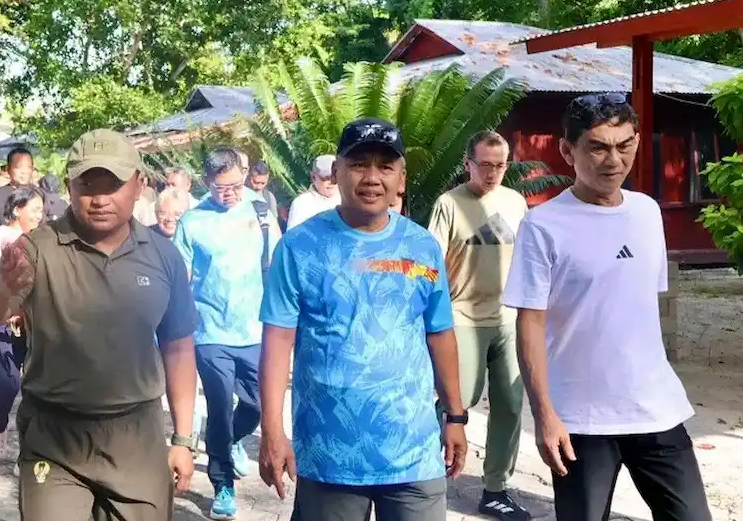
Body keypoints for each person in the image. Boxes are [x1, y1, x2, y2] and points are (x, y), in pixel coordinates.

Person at [0, 128, 199, 521]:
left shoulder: (163, 256)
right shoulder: (37, 248)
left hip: (136, 440)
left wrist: (182, 439)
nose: (100, 198)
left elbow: (178, 345)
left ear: (139, 184)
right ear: (70, 187)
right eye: (88, 184)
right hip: (55, 439)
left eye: (114, 184)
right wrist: (4, 288)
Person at [503, 94, 711, 521]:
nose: (613, 160)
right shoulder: (543, 225)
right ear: (568, 150)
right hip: (581, 420)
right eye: (597, 147)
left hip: (656, 408)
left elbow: (638, 308)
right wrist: (545, 415)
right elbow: (530, 324)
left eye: (625, 145)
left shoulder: (647, 213)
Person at [259, 117, 467, 521]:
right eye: (358, 164)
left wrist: (455, 416)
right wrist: (272, 430)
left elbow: (440, 333)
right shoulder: (300, 247)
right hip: (329, 454)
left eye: (385, 166)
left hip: (413, 453)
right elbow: (277, 342)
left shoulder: (421, 246)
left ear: (401, 180)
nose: (372, 177)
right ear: (336, 172)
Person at [172, 148, 281, 520]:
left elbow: (277, 263)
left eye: (236, 184)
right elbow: (179, 279)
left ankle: (230, 439)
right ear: (207, 184)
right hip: (211, 332)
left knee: (258, 403)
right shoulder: (192, 221)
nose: (231, 193)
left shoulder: (261, 210)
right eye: (222, 188)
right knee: (218, 409)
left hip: (256, 329)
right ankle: (222, 484)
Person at [428, 130, 531, 521]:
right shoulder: (448, 204)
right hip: (463, 317)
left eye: (499, 165)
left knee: (510, 403)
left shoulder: (515, 201)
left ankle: (496, 489)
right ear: (468, 163)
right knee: (458, 401)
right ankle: (426, 472)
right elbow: (432, 264)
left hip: (508, 317)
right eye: (484, 165)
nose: (491, 173)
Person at [0, 185, 46, 462]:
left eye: (42, 211)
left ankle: (28, 452)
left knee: (36, 388)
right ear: (18, 209)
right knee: (7, 383)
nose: (40, 216)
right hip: (3, 323)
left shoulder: (44, 239)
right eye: (35, 210)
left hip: (37, 326)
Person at [0, 148, 66, 226]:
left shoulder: (40, 194)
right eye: (18, 167)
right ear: (8, 169)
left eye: (28, 167)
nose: (24, 172)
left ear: (32, 169)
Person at [285, 154, 341, 230]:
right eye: (326, 178)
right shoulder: (302, 203)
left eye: (335, 176)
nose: (331, 181)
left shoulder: (347, 199)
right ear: (313, 177)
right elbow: (293, 238)